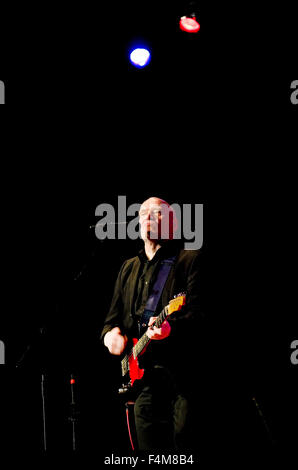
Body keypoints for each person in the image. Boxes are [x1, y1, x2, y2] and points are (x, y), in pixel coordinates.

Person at [100, 197, 205, 453]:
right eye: (143, 212)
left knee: (184, 447)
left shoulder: (190, 260)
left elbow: (202, 317)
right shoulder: (128, 268)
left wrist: (172, 328)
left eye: (157, 212)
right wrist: (109, 337)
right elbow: (111, 322)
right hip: (143, 379)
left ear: (173, 223)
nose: (147, 215)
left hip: (183, 378)